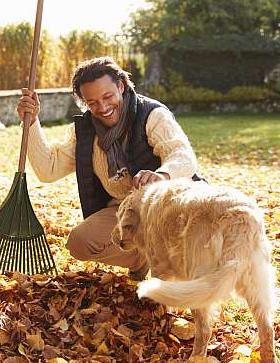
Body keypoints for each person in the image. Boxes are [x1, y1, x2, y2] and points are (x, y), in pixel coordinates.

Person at [16, 56, 199, 280]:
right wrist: (31, 121)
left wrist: (162, 175)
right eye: (92, 102)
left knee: (183, 248)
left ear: (121, 86)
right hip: (123, 209)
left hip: (166, 206)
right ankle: (142, 259)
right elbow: (49, 169)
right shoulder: (84, 132)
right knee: (79, 243)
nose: (102, 108)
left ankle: (173, 259)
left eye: (108, 96)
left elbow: (183, 155)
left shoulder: (151, 115)